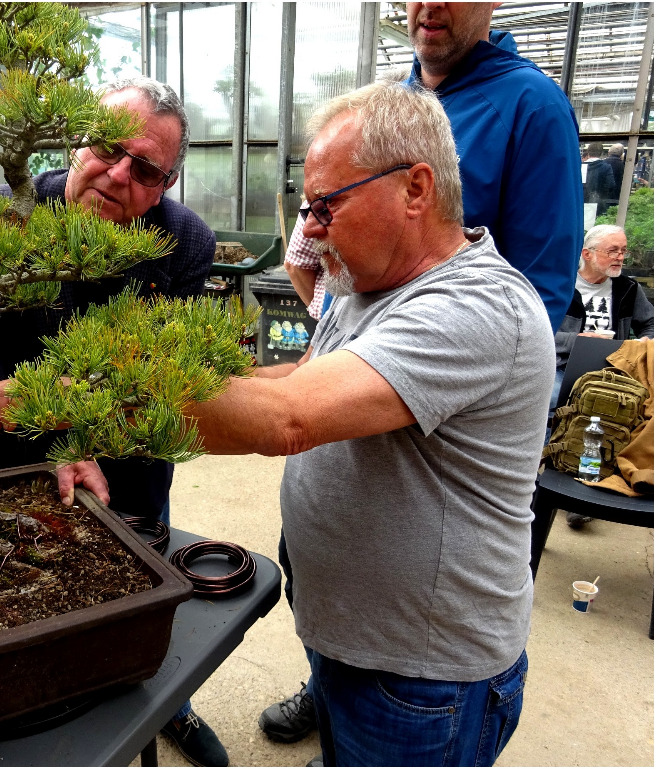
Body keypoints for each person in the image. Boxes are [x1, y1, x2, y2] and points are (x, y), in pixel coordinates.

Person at [177, 80, 551, 766]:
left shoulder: (475, 307)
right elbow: (301, 379)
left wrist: (98, 397)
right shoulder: (365, 283)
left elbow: (288, 419)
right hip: (354, 637)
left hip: (421, 677)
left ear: (415, 188)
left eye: (327, 205)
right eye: (307, 207)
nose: (310, 229)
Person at [268, 2, 584, 744]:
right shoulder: (396, 101)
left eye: (326, 205)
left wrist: (432, 373)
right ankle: (334, 681)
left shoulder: (531, 105)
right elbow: (323, 332)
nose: (425, 7)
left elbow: (534, 290)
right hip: (354, 581)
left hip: (452, 363)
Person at [0, 76, 227, 767]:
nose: (119, 174)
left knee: (139, 600)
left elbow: (171, 372)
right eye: (106, 147)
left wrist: (68, 407)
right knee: (14, 603)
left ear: (164, 185)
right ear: (75, 140)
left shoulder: (184, 242)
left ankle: (170, 704)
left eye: (146, 170)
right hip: (2, 460)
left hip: (125, 465)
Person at [285, 1, 581, 335]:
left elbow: (540, 285)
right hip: (356, 346)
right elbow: (338, 256)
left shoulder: (533, 105)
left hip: (447, 352)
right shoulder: (385, 106)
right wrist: (329, 339)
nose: (430, 4)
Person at [553, 224, 654, 529]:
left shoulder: (628, 289)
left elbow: (650, 323)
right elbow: (539, 331)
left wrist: (643, 343)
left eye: (623, 251)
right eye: (612, 250)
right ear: (587, 253)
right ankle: (551, 483)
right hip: (565, 365)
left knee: (619, 418)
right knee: (553, 406)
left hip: (613, 371)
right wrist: (578, 340)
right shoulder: (560, 286)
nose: (620, 257)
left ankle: (585, 493)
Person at [583, 141, 616, 217]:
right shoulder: (606, 167)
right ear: (601, 153)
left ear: (588, 152)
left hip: (581, 201)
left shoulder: (581, 166)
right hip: (599, 203)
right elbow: (611, 185)